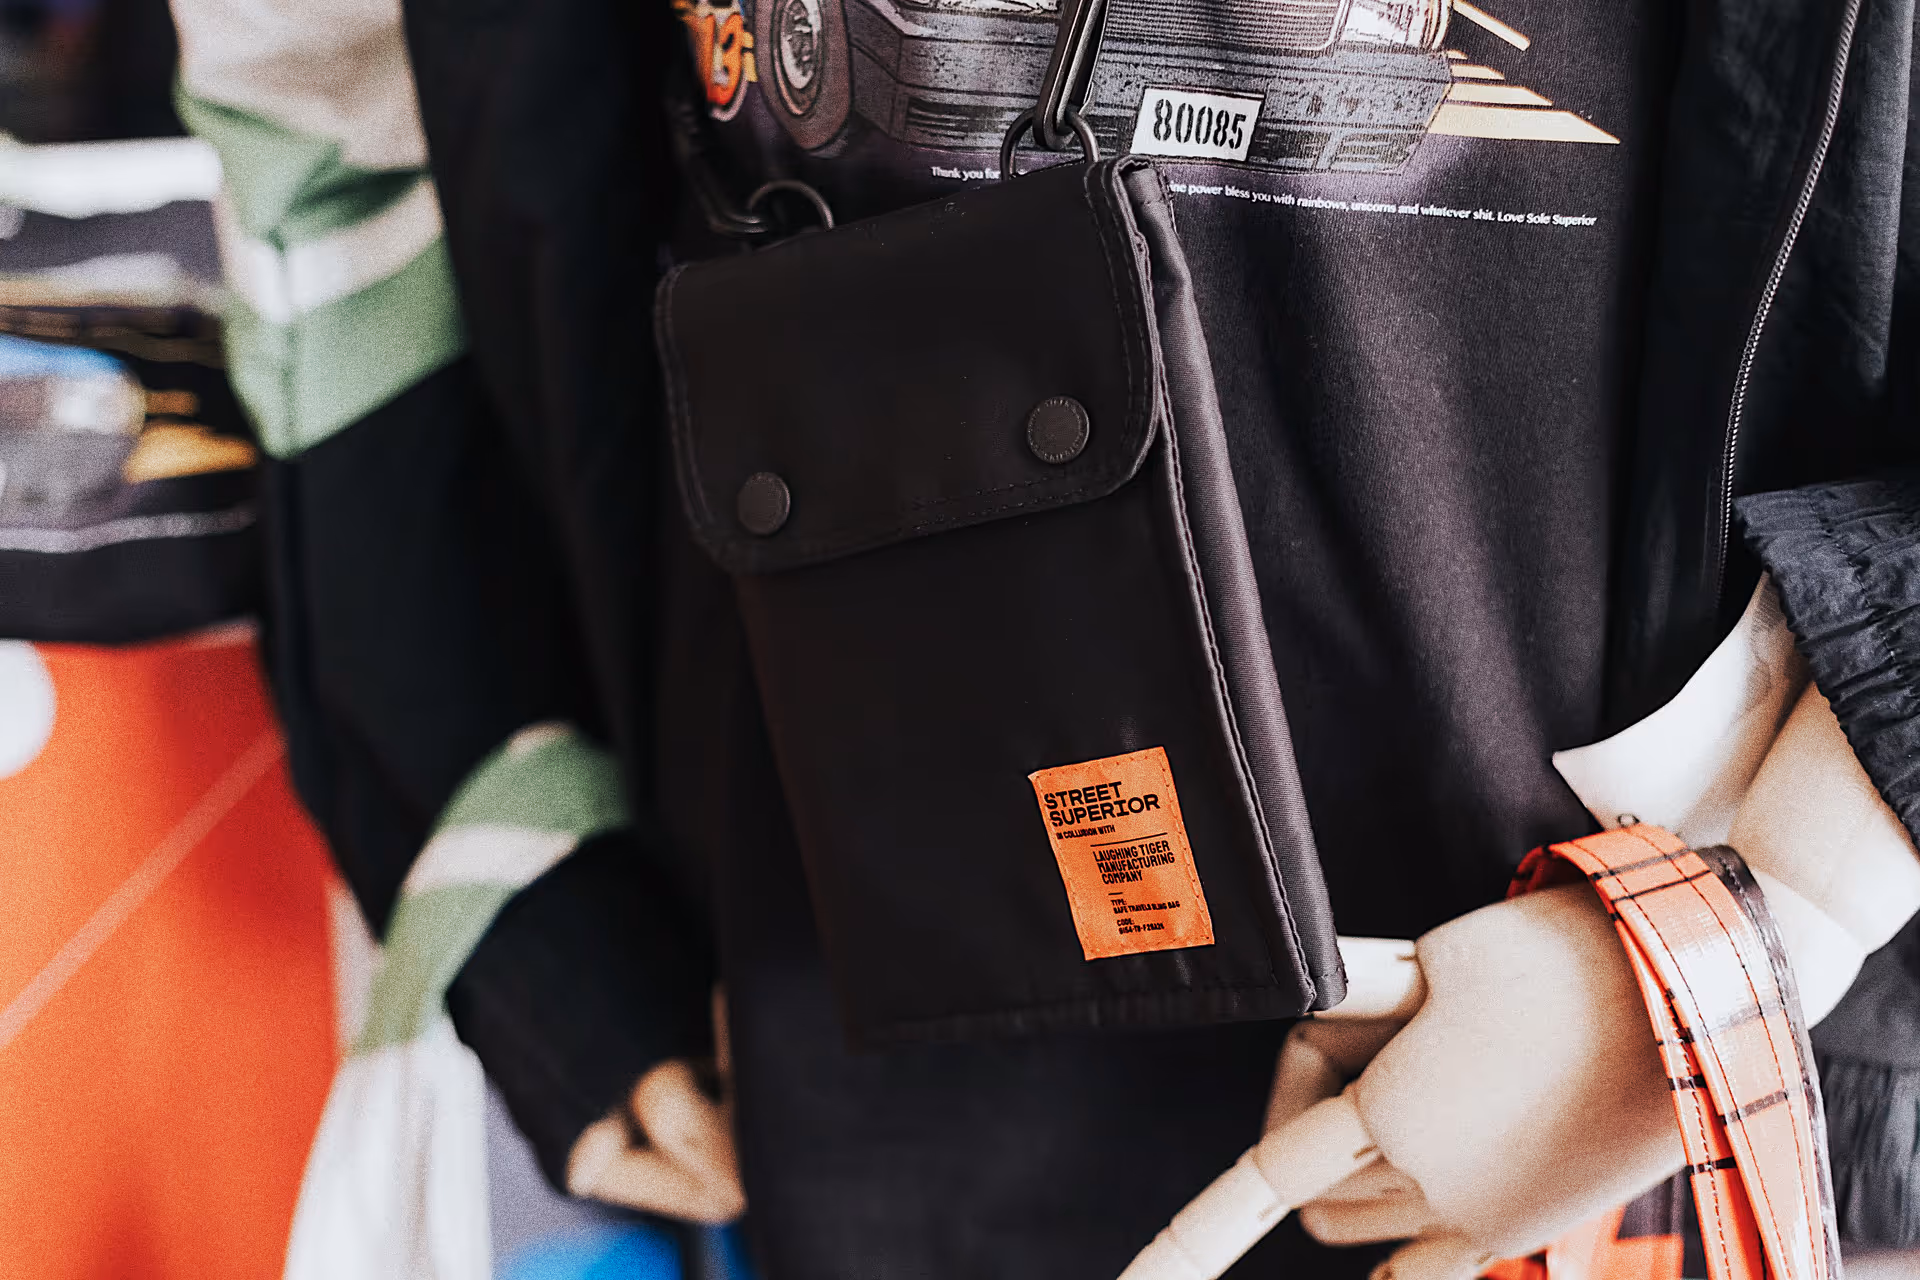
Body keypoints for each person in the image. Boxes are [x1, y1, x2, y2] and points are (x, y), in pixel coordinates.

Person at [167, 0, 1920, 1273]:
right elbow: (330, 108)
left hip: (1667, 1040)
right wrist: (509, 833)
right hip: (815, 1006)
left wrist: (1770, 921)